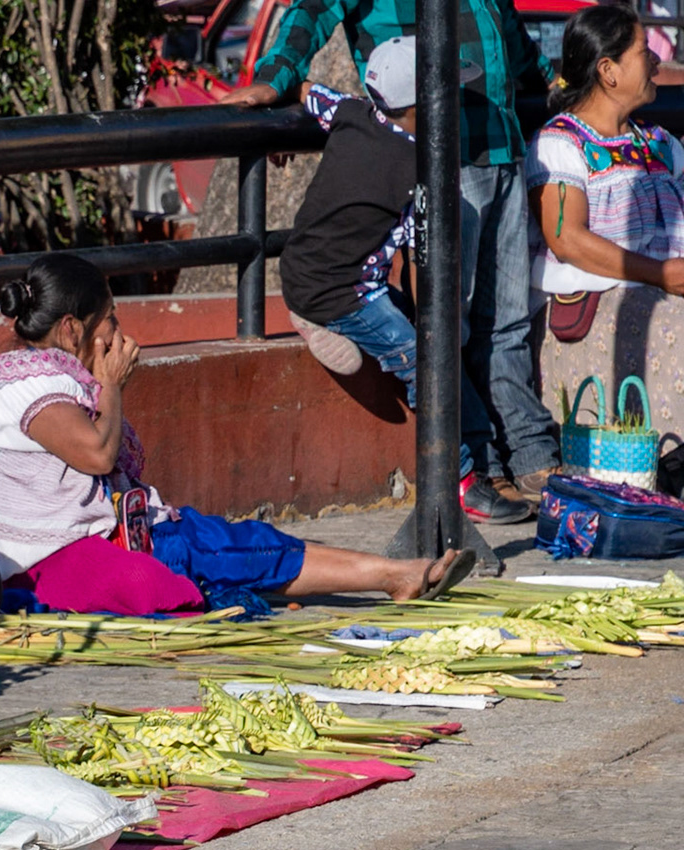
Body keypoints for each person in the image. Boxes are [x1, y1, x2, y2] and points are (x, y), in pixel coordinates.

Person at [0, 257, 477, 615]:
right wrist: (111, 384)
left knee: (229, 543)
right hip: (32, 563)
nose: (117, 332)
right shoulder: (27, 382)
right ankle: (387, 575)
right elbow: (96, 452)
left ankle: (394, 574)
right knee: (180, 582)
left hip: (91, 539)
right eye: (109, 319)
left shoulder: (47, 374)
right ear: (70, 330)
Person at [223, 0, 564, 503]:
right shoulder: (385, 142)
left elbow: (508, 36)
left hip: (503, 148)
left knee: (508, 320)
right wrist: (275, 80)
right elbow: (310, 11)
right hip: (441, 157)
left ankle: (530, 452)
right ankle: (478, 463)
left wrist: (551, 86)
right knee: (449, 320)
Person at [278, 38, 531, 525]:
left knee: (411, 343)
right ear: (423, 106)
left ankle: (316, 319)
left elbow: (308, 91)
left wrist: (275, 89)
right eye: (449, 95)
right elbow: (422, 263)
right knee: (426, 363)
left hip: (303, 270)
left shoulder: (352, 112)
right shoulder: (423, 173)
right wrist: (430, 328)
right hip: (346, 292)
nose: (456, 104)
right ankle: (459, 483)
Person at [528, 6, 684, 431]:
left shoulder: (659, 143)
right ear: (608, 70)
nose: (655, 60)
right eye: (642, 51)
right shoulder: (559, 145)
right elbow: (568, 241)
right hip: (601, 305)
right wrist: (660, 275)